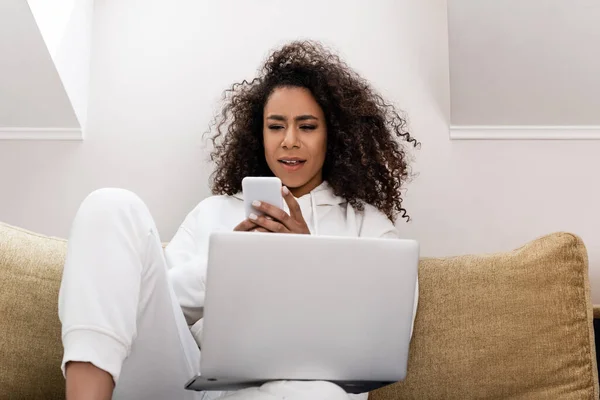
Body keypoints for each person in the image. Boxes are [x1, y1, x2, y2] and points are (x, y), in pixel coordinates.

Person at [59, 40, 420, 400]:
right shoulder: (213, 212)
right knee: (110, 205)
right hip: (192, 387)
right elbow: (150, 310)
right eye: (276, 126)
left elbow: (383, 341)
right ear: (259, 133)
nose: (289, 141)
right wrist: (233, 268)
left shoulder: (367, 226)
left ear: (333, 135)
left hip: (306, 390)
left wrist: (304, 259)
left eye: (307, 127)